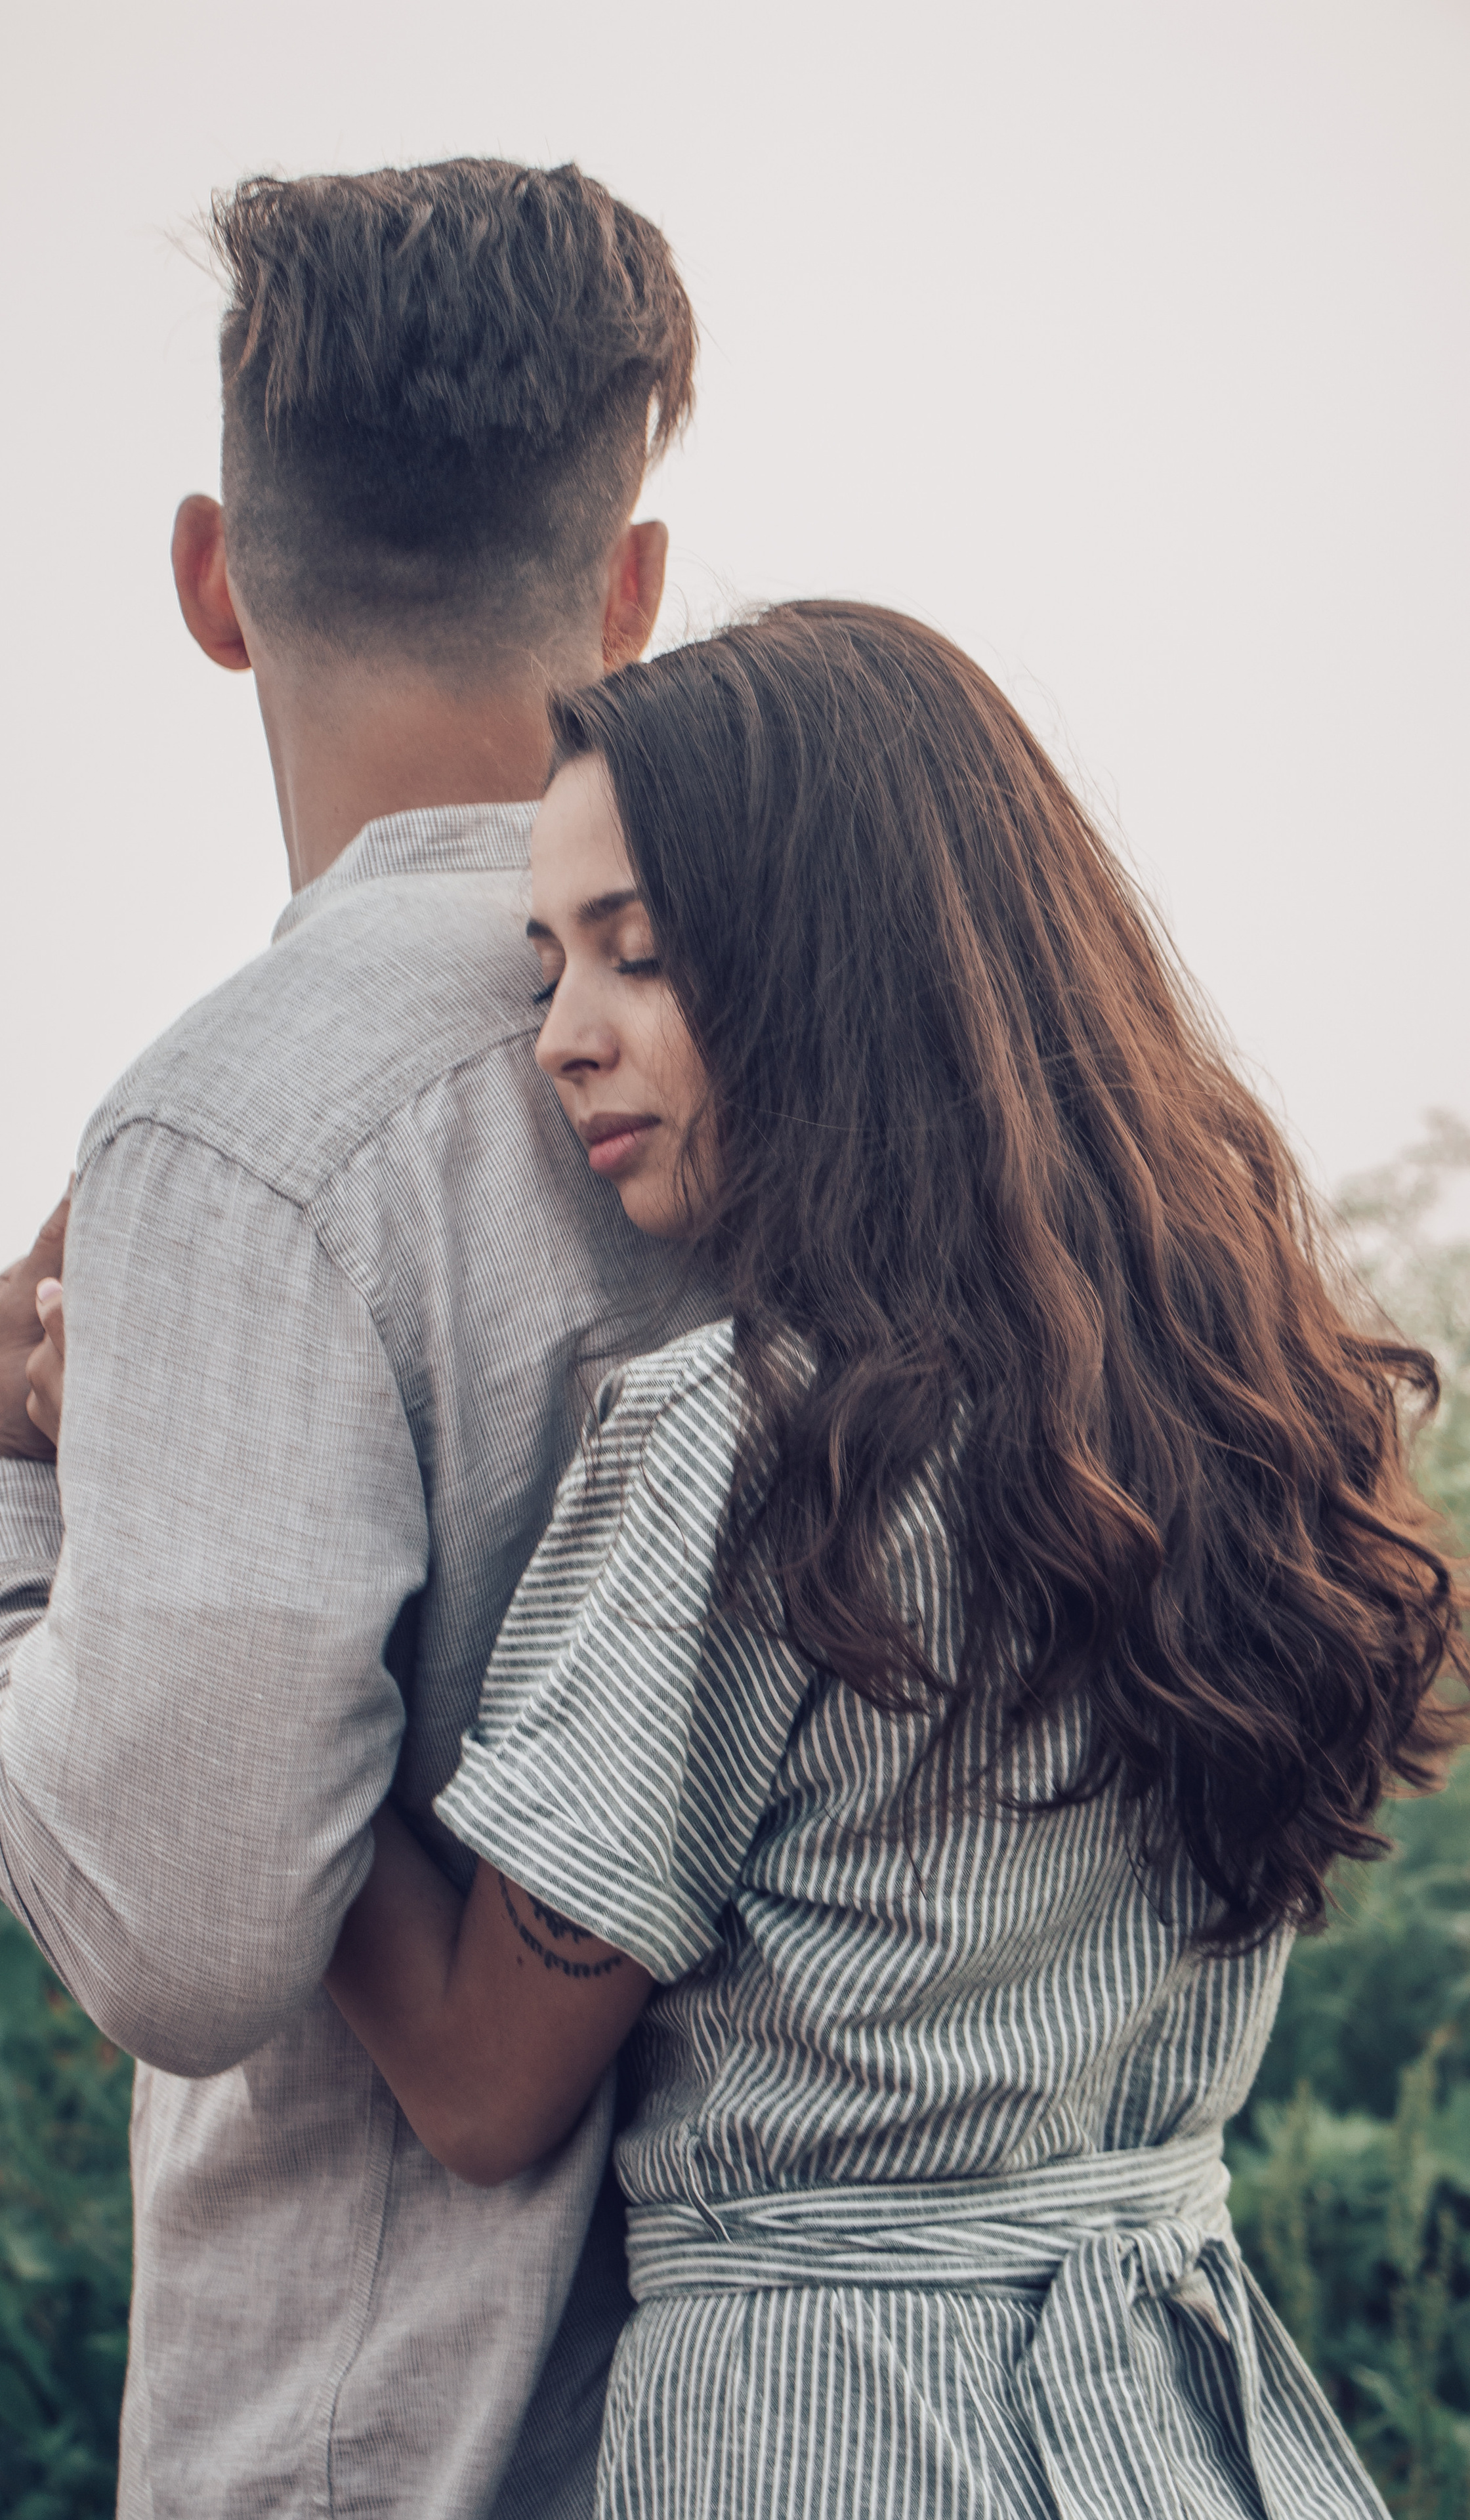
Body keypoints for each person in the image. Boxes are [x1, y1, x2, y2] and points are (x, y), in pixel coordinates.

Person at [308, 602, 1465, 2517]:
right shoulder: (1230, 1413)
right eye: (544, 969)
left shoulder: (750, 1449)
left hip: (832, 2437)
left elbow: (481, 2085)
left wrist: (251, 1683)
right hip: (1186, 2426)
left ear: (846, 975)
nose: (562, 1039)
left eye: (643, 956)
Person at [0, 159, 713, 2520]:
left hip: (389, 2453)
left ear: (209, 579)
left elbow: (184, 1937)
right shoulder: (832, 1050)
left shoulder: (235, 1138)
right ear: (637, 592)